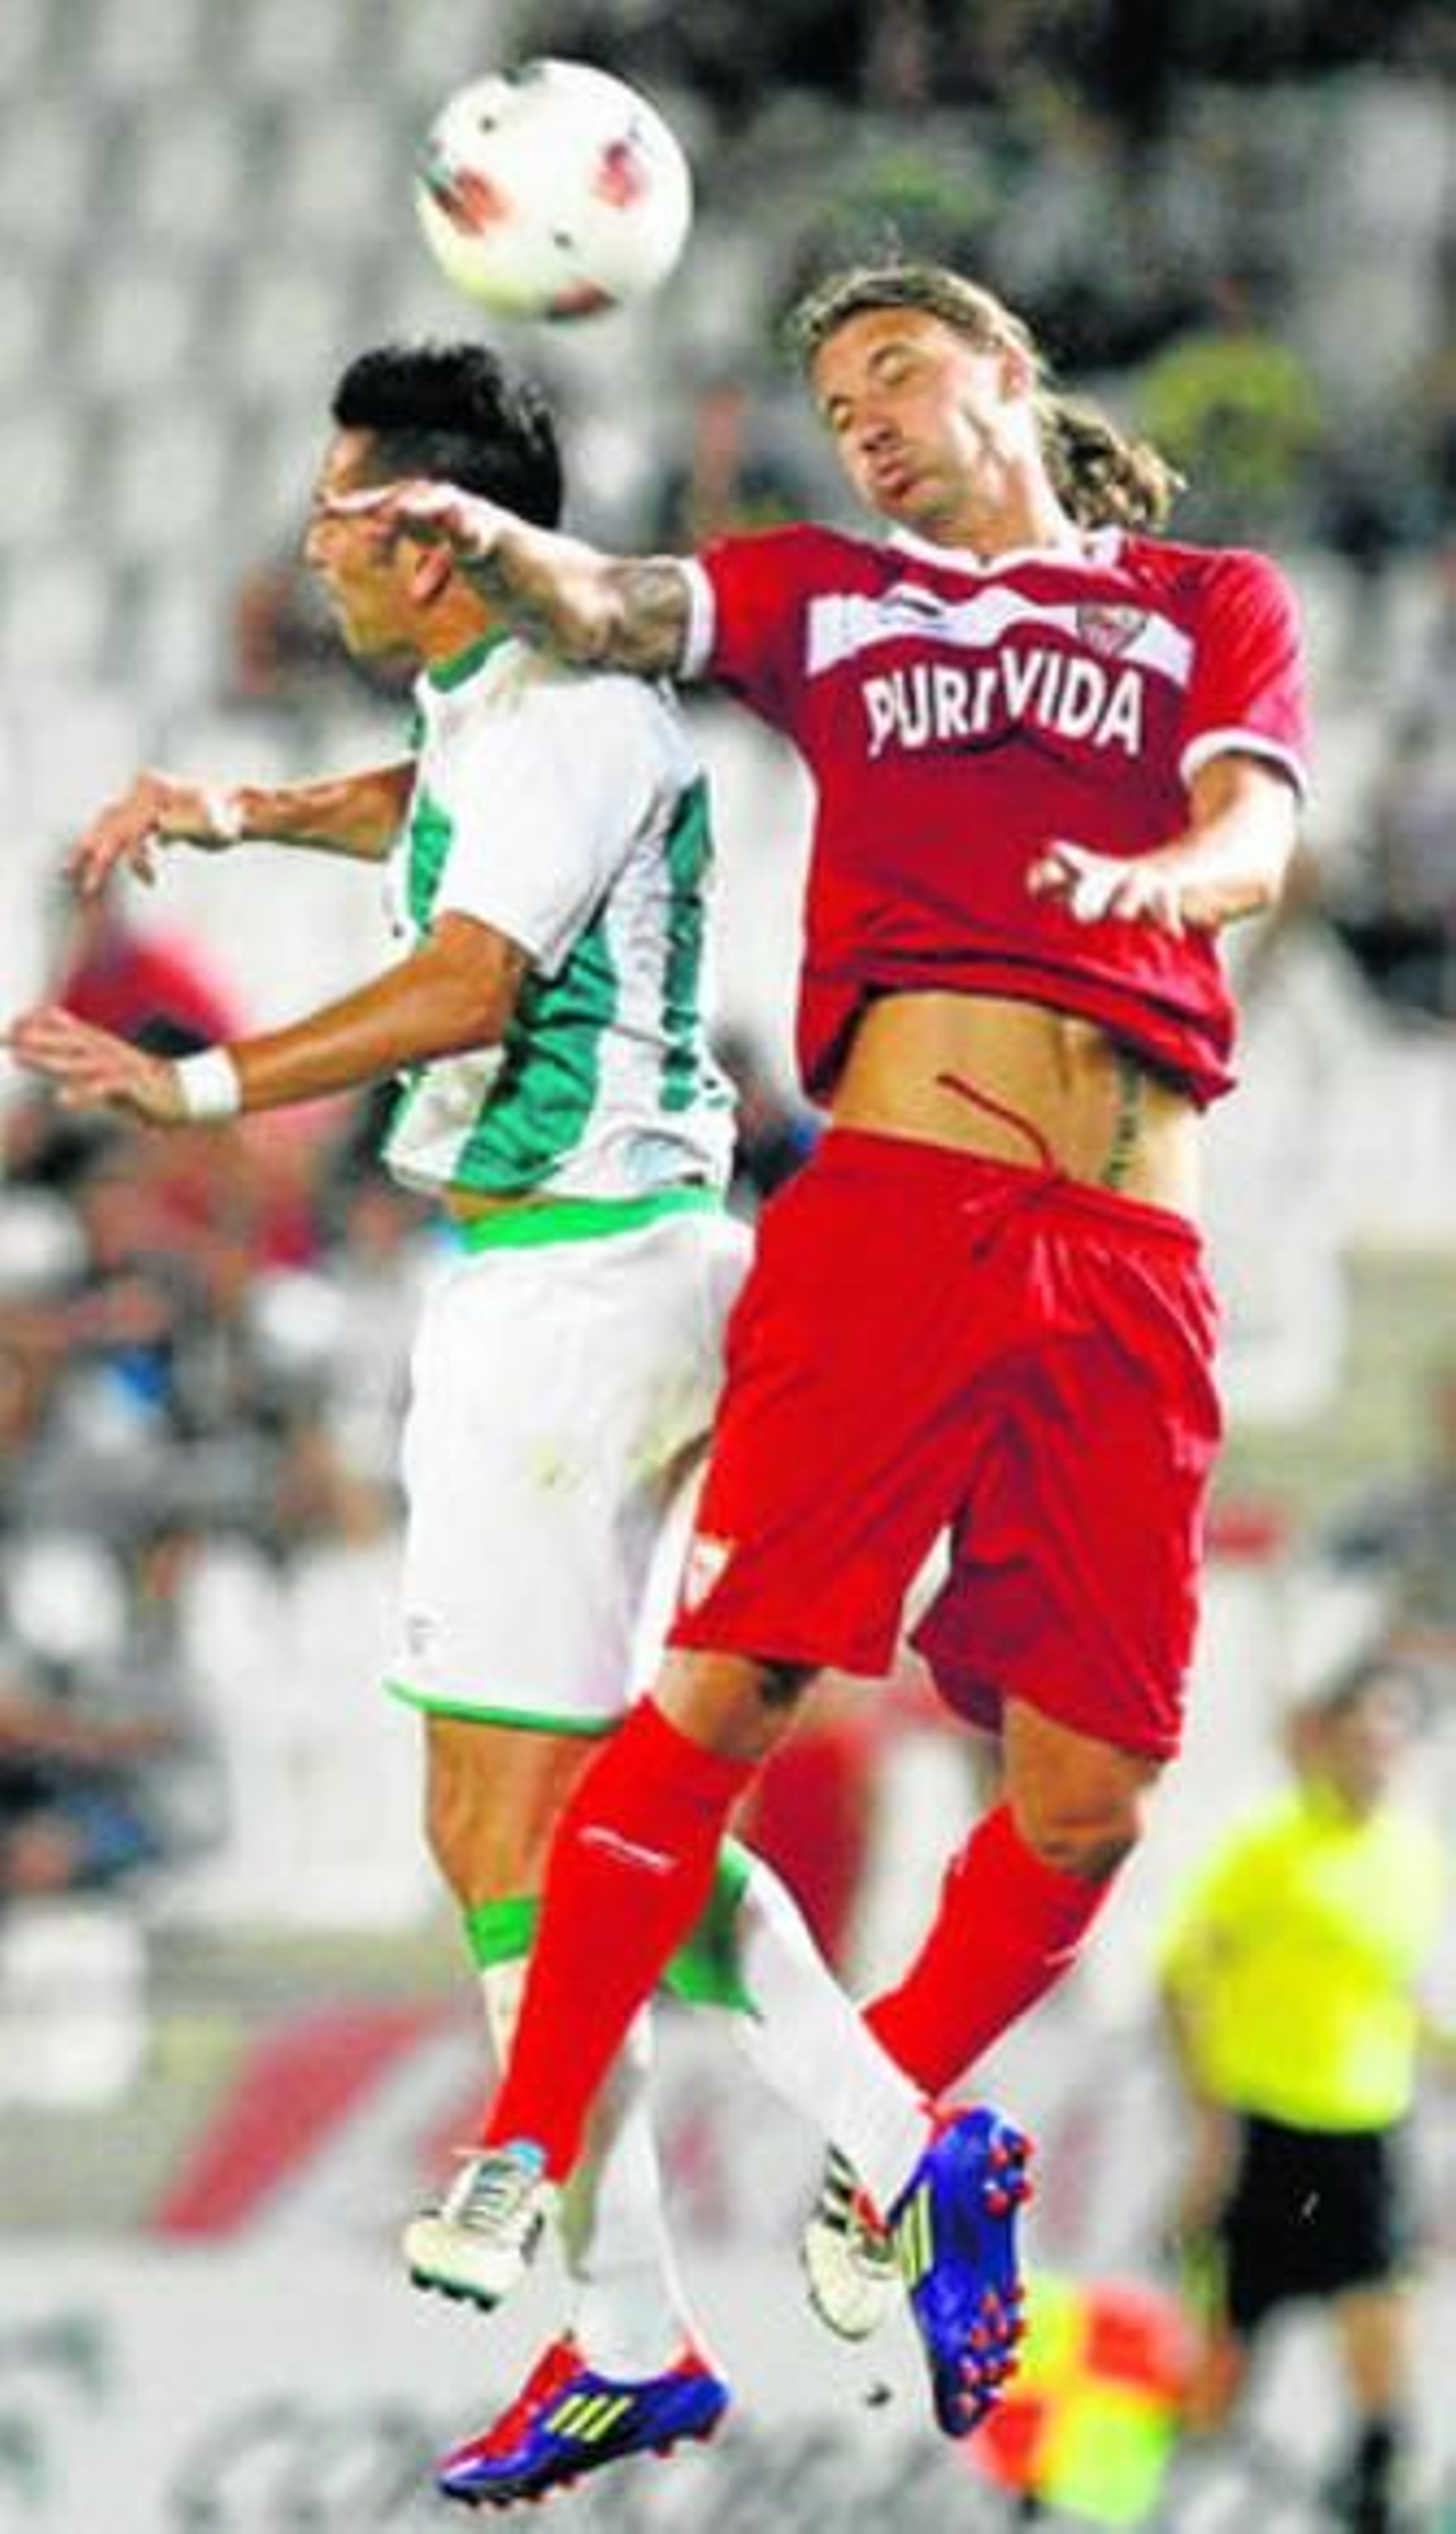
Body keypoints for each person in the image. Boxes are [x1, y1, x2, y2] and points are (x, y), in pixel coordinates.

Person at [6, 340, 1023, 2503]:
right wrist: (236, 809)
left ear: (429, 537)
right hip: (622, 1277)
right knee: (568, 1835)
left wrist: (195, 1087)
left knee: (502, 1836)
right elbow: (428, 806)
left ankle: (760, 2243)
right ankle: (767, 2231)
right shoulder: (513, 704)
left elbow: (470, 975)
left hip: (569, 1303)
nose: (312, 554)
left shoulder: (563, 714)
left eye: (337, 516)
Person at [330, 254, 1309, 2395]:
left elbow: (1252, 816)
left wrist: (1179, 881)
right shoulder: (823, 596)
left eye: (892, 369)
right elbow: (612, 607)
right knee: (726, 1689)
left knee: (1090, 1798)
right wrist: (485, 536)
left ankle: (884, 2143)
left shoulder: (1201, 602)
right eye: (834, 397)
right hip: (894, 1221)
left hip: (1130, 1259)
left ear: (1005, 369)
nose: (858, 416)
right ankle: (521, 2141)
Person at [1158, 1657, 1450, 2532]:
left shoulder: (1417, 1857)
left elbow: (1403, 1989)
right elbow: (1181, 1978)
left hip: (1366, 2129)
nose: (1373, 1752)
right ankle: (1149, 2498)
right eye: (1357, 1734)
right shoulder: (1268, 1849)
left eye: (1388, 1737)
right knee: (1222, 2358)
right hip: (1266, 2129)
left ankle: (1377, 2490)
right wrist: (1210, 2124)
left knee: (1381, 2336)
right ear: (1323, 1742)